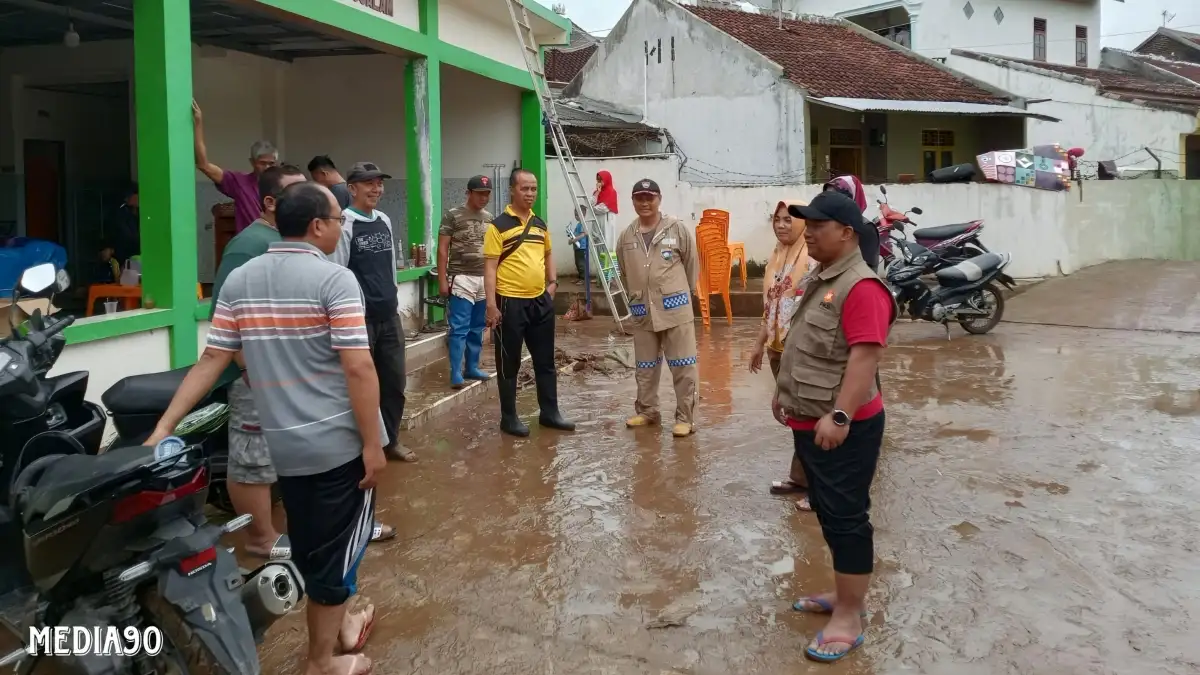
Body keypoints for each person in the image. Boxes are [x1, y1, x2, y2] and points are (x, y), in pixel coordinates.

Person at [148, 181, 381, 675]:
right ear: (317, 226)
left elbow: (212, 358)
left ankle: (335, 632)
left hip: (285, 445)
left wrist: (162, 428)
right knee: (335, 555)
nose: (342, 228)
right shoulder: (335, 281)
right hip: (337, 444)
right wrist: (371, 443)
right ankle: (321, 661)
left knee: (314, 544)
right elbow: (358, 368)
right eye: (338, 219)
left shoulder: (241, 279)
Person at [771, 190, 896, 664]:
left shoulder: (861, 286)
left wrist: (841, 415)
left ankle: (849, 616)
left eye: (818, 225)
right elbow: (806, 345)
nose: (810, 232)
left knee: (847, 519)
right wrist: (783, 394)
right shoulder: (824, 276)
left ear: (846, 233)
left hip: (844, 426)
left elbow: (866, 357)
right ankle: (842, 595)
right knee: (825, 510)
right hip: (812, 420)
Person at [330, 162, 416, 463]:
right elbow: (338, 272)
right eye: (369, 183)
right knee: (361, 386)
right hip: (359, 320)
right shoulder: (344, 224)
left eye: (379, 183)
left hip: (389, 317)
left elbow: (390, 265)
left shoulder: (383, 220)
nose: (376, 189)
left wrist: (393, 297)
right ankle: (360, 448)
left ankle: (390, 442)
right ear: (352, 189)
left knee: (394, 383)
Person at [483, 168, 575, 437]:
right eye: (525, 188)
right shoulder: (498, 226)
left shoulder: (540, 224)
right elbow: (489, 268)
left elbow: (548, 254)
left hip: (540, 302)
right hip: (509, 303)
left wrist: (553, 283)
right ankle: (509, 418)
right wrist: (491, 304)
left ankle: (550, 413)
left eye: (534, 189)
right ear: (513, 189)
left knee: (545, 361)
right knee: (508, 363)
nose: (530, 193)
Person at [615, 178, 699, 438]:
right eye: (639, 198)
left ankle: (685, 418)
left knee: (683, 365)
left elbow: (691, 265)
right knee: (645, 366)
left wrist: (680, 291)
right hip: (643, 311)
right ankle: (648, 412)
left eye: (649, 197)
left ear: (659, 199)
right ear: (633, 201)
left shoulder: (676, 229)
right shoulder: (627, 236)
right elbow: (625, 271)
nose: (644, 202)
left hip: (675, 309)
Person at [750, 200, 815, 511]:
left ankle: (821, 487)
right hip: (778, 348)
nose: (782, 225)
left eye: (789, 220)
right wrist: (759, 345)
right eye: (777, 220)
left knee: (810, 417)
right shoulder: (776, 257)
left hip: (801, 350)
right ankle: (800, 478)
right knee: (795, 418)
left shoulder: (812, 257)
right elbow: (771, 306)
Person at [437, 175, 494, 389]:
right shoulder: (452, 215)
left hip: (483, 278)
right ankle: (456, 373)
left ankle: (471, 367)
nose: (484, 197)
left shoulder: (489, 218)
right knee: (459, 327)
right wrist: (443, 281)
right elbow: (442, 250)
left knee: (477, 326)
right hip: (461, 278)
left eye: (487, 194)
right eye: (480, 193)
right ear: (468, 193)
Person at [192, 99, 278, 233]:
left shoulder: (282, 186)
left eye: (271, 163)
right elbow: (204, 165)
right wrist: (198, 123)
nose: (267, 167)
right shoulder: (239, 182)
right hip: (249, 246)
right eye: (262, 163)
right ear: (252, 162)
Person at [110, 183, 140, 263]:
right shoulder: (122, 213)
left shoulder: (146, 213)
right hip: (127, 256)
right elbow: (126, 236)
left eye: (129, 196)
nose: (126, 199)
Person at [592, 170, 619, 250]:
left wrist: (592, 208)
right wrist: (597, 192)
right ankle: (600, 262)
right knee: (598, 241)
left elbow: (603, 208)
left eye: (601, 179)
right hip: (598, 220)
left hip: (607, 220)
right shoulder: (596, 192)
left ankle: (608, 262)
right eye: (598, 179)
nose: (599, 181)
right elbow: (590, 203)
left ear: (606, 179)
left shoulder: (611, 192)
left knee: (607, 242)